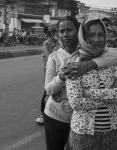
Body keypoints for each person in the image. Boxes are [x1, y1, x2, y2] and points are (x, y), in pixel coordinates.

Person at [44, 15, 117, 150]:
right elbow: (51, 90)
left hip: (88, 121)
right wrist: (62, 75)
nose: (65, 34)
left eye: (70, 30)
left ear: (78, 32)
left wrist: (89, 65)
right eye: (62, 31)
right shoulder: (58, 58)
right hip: (58, 115)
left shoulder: (102, 54)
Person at [36, 23, 59, 125]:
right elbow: (51, 57)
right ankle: (42, 114)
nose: (57, 34)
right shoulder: (46, 43)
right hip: (49, 73)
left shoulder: (61, 43)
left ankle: (55, 114)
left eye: (58, 32)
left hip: (60, 72)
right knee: (47, 92)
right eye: (55, 32)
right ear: (51, 33)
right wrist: (58, 46)